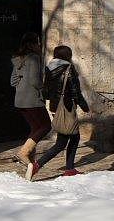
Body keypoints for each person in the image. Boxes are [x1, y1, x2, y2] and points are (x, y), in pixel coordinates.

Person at [33, 45, 90, 178]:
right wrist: (84, 106)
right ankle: (38, 165)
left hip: (55, 107)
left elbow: (46, 91)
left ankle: (69, 169)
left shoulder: (49, 68)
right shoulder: (69, 68)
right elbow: (75, 91)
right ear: (68, 55)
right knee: (64, 141)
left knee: (69, 138)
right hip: (66, 107)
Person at [10, 32, 49, 178]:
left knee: (35, 128)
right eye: (38, 42)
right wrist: (43, 87)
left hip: (20, 100)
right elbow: (35, 81)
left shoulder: (17, 59)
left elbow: (13, 81)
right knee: (45, 126)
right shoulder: (34, 58)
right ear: (32, 44)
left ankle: (31, 164)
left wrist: (22, 82)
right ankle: (23, 153)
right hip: (32, 99)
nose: (39, 45)